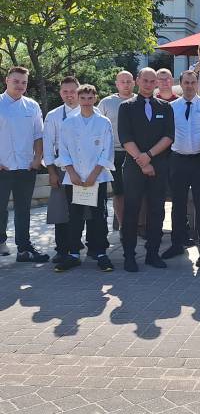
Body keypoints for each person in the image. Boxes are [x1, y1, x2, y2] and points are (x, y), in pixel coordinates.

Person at [118, 67, 175, 272]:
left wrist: (149, 156)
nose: (149, 84)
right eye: (146, 80)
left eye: (153, 81)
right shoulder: (126, 107)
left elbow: (169, 137)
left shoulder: (165, 108)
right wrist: (142, 161)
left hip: (158, 166)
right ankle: (129, 256)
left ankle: (153, 254)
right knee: (132, 211)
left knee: (156, 211)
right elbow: (125, 137)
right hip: (133, 167)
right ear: (137, 81)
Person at [55, 85, 115, 273]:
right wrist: (72, 173)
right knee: (74, 217)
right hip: (74, 179)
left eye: (90, 98)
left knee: (99, 216)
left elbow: (107, 151)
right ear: (78, 99)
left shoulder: (104, 122)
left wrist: (93, 175)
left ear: (95, 99)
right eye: (83, 98)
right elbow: (63, 151)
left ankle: (100, 253)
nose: (87, 102)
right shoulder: (68, 123)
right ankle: (73, 254)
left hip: (97, 178)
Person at [162, 71, 200, 266]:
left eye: (192, 82)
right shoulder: (171, 107)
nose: (189, 86)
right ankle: (177, 243)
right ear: (181, 83)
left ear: (198, 83)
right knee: (177, 204)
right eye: (186, 82)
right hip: (178, 160)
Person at [0, 66, 48, 263]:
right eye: (16, 81)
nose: (20, 85)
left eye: (24, 82)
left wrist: (37, 159)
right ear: (7, 80)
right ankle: (1, 243)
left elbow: (39, 134)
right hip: (2, 167)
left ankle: (24, 248)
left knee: (23, 209)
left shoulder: (32, 106)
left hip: (26, 166)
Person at [43, 76, 82, 262]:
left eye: (73, 91)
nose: (69, 95)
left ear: (79, 91)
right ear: (60, 93)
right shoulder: (53, 116)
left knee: (87, 209)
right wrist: (51, 172)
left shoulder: (91, 112)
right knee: (61, 210)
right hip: (61, 168)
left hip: (85, 168)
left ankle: (87, 246)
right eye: (65, 92)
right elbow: (48, 147)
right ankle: (62, 249)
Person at [98, 70, 136, 230]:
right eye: (122, 81)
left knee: (136, 191)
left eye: (129, 81)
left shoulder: (139, 101)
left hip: (135, 152)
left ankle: (138, 224)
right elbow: (97, 127)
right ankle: (122, 226)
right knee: (119, 191)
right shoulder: (106, 103)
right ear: (117, 84)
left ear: (134, 82)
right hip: (114, 152)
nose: (126, 84)